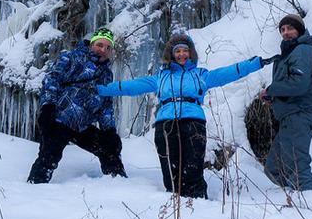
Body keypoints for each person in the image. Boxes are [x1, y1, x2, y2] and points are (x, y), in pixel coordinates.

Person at [98, 33, 272, 199]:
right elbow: (130, 86)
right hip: (165, 124)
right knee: (170, 170)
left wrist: (256, 63)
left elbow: (230, 72)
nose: (182, 54)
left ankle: (197, 204)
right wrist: (100, 89)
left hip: (193, 122)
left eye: (185, 50)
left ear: (191, 53)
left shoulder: (201, 75)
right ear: (172, 55)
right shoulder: (160, 77)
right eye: (177, 51)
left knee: (193, 167)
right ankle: (174, 209)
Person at [27, 27, 126, 183]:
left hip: (83, 126)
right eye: (100, 45)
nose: (103, 50)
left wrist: (109, 130)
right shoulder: (71, 57)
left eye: (108, 47)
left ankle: (121, 185)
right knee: (48, 158)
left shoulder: (107, 74)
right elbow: (51, 80)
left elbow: (105, 104)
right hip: (60, 119)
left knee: (109, 150)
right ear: (92, 43)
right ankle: (33, 189)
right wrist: (47, 107)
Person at [260, 14, 312, 191]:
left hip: (299, 115)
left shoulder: (303, 50)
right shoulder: (290, 53)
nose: (285, 32)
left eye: (290, 28)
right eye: (282, 30)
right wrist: (273, 97)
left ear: (299, 30)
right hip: (288, 118)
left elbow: (299, 83)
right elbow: (292, 84)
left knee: (298, 170)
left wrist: (271, 90)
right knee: (274, 170)